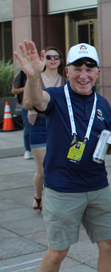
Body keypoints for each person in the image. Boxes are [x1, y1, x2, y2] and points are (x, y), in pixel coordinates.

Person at [14, 40, 111, 272]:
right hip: (62, 187)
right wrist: (33, 77)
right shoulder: (55, 97)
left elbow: (104, 144)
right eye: (78, 68)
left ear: (97, 72)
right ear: (67, 71)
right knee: (58, 251)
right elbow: (36, 100)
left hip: (98, 184)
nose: (83, 74)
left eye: (90, 68)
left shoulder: (103, 103)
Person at [22, 46, 67, 214]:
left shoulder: (64, 81)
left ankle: (55, 200)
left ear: (60, 60)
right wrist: (41, 101)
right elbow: (26, 103)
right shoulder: (35, 78)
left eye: (56, 56)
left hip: (58, 126)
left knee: (59, 165)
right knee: (42, 170)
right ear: (44, 60)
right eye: (49, 57)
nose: (53, 59)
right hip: (39, 125)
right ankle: (38, 195)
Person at [12, 70, 32, 159]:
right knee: (27, 128)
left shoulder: (40, 72)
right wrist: (26, 88)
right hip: (26, 105)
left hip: (40, 104)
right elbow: (14, 90)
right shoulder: (21, 74)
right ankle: (28, 150)